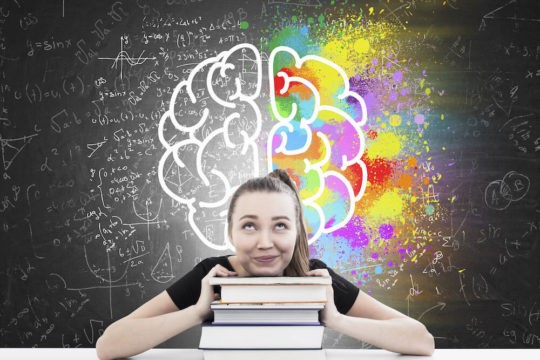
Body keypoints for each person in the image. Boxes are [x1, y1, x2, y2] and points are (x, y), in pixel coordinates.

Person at [96, 169, 435, 359]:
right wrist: (199, 311)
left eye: (280, 225)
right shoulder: (213, 277)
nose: (265, 242)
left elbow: (420, 340)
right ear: (230, 231)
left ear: (296, 230)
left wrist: (333, 317)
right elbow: (110, 345)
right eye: (249, 225)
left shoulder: (313, 276)